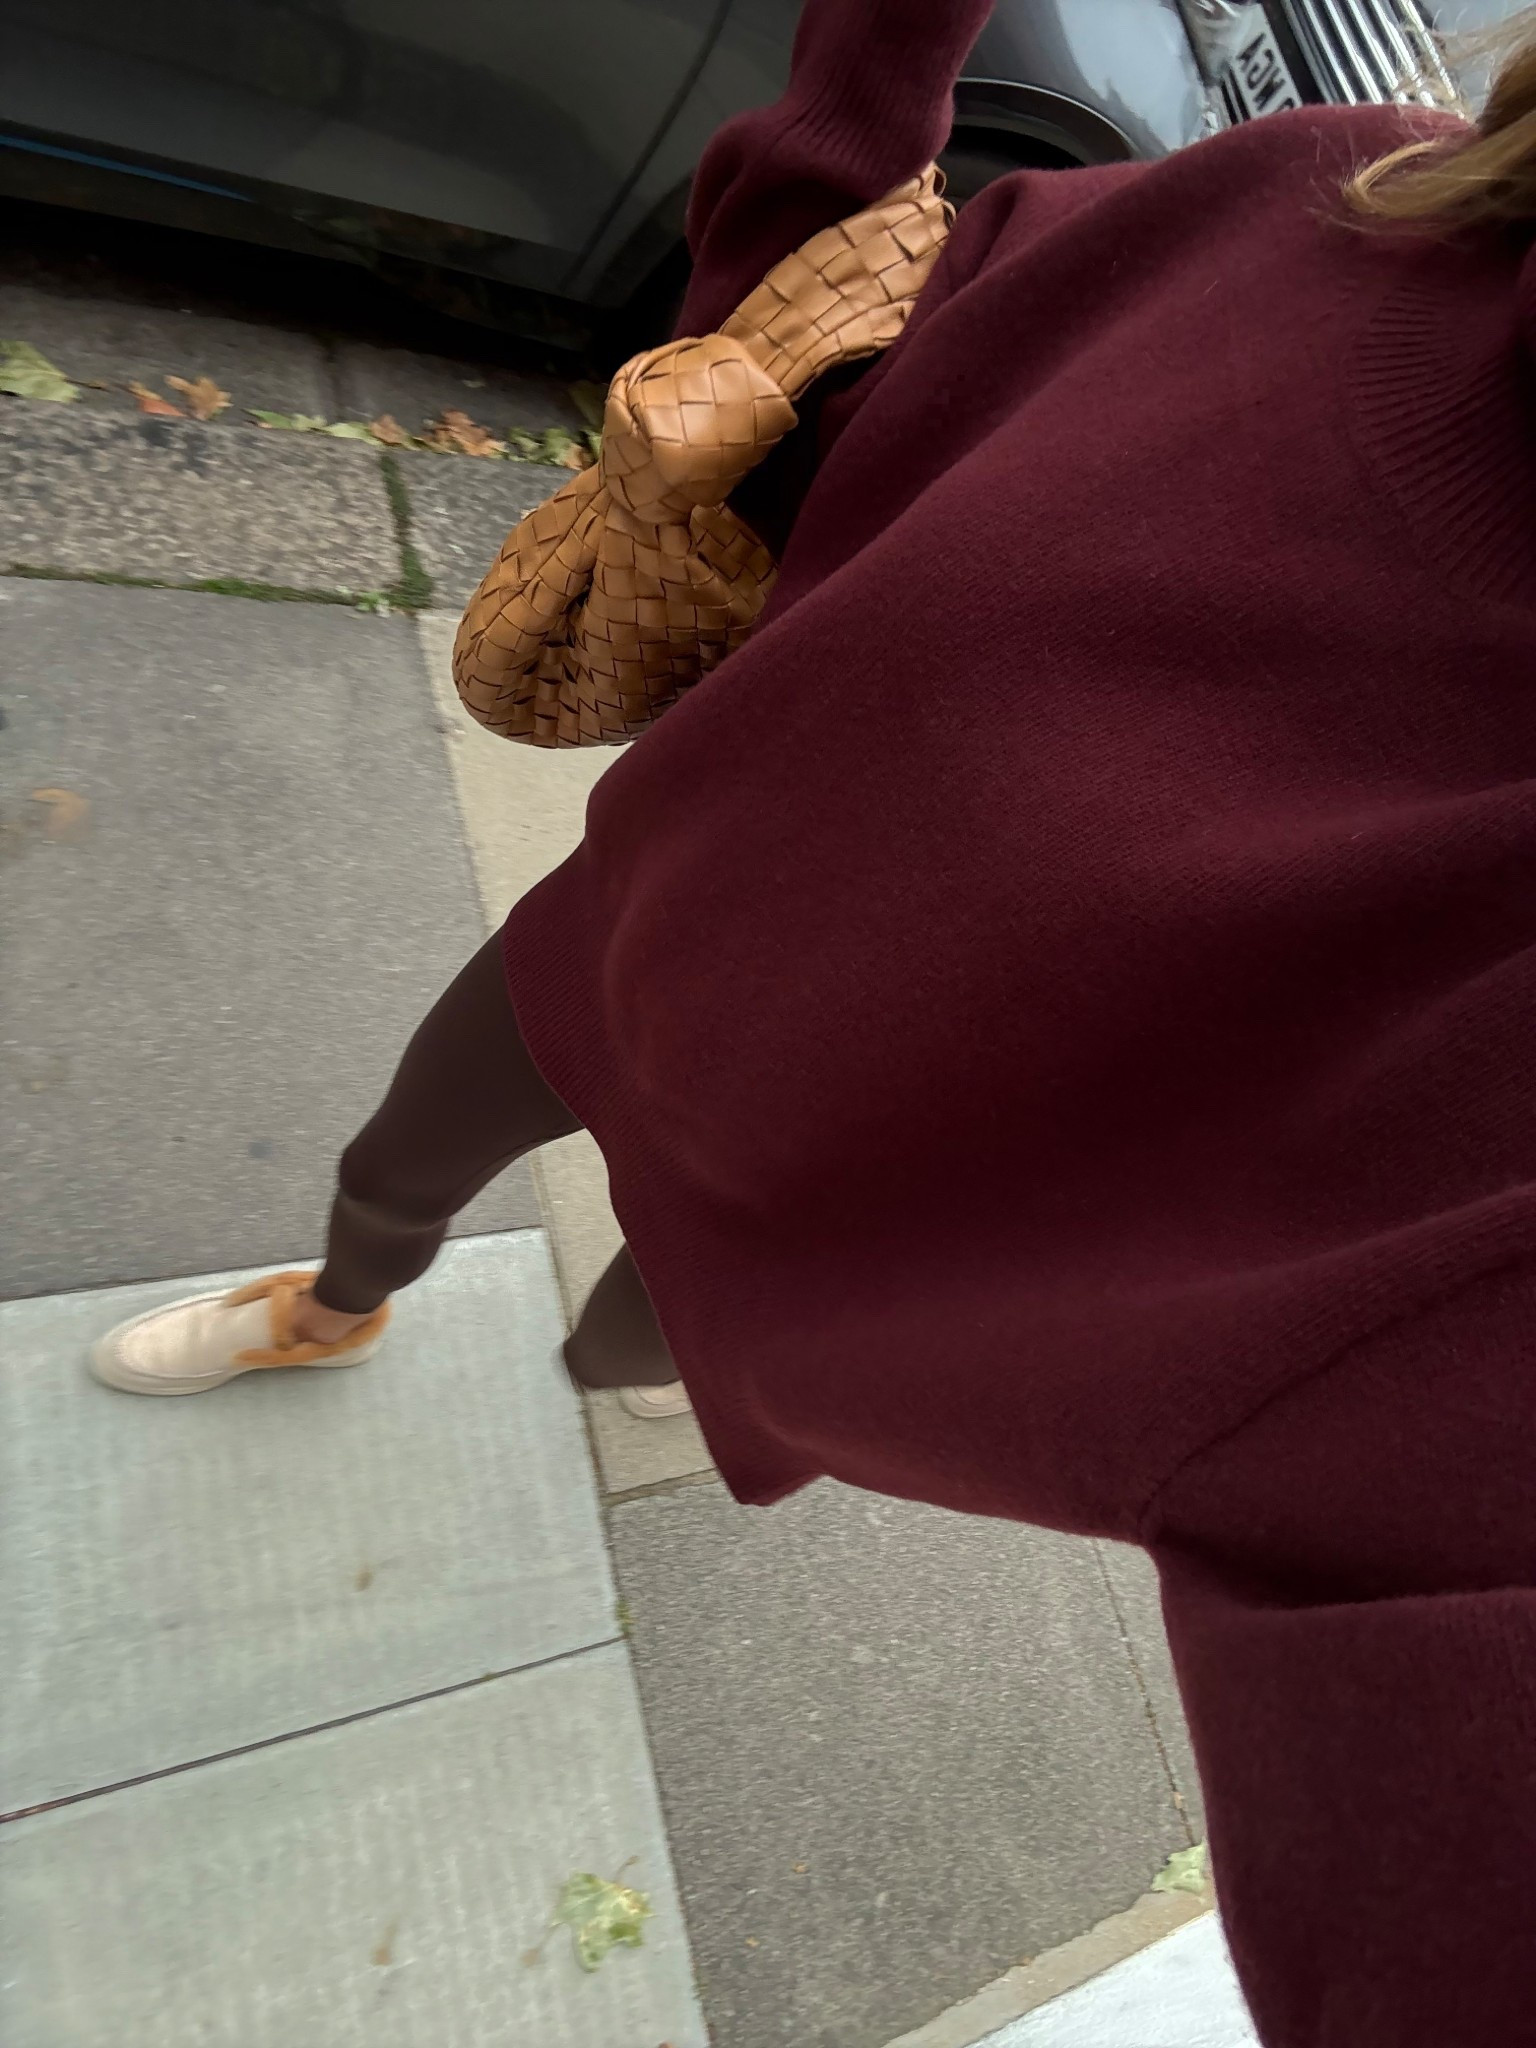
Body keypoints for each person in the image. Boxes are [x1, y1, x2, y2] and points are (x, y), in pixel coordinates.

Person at [92, 2, 1536, 2039]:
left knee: (634, 1346)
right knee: (395, 1166)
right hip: (628, 938)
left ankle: (591, 1361)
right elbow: (806, 402)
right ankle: (339, 1303)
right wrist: (865, 84)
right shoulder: (1320, 206)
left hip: (838, 1247)